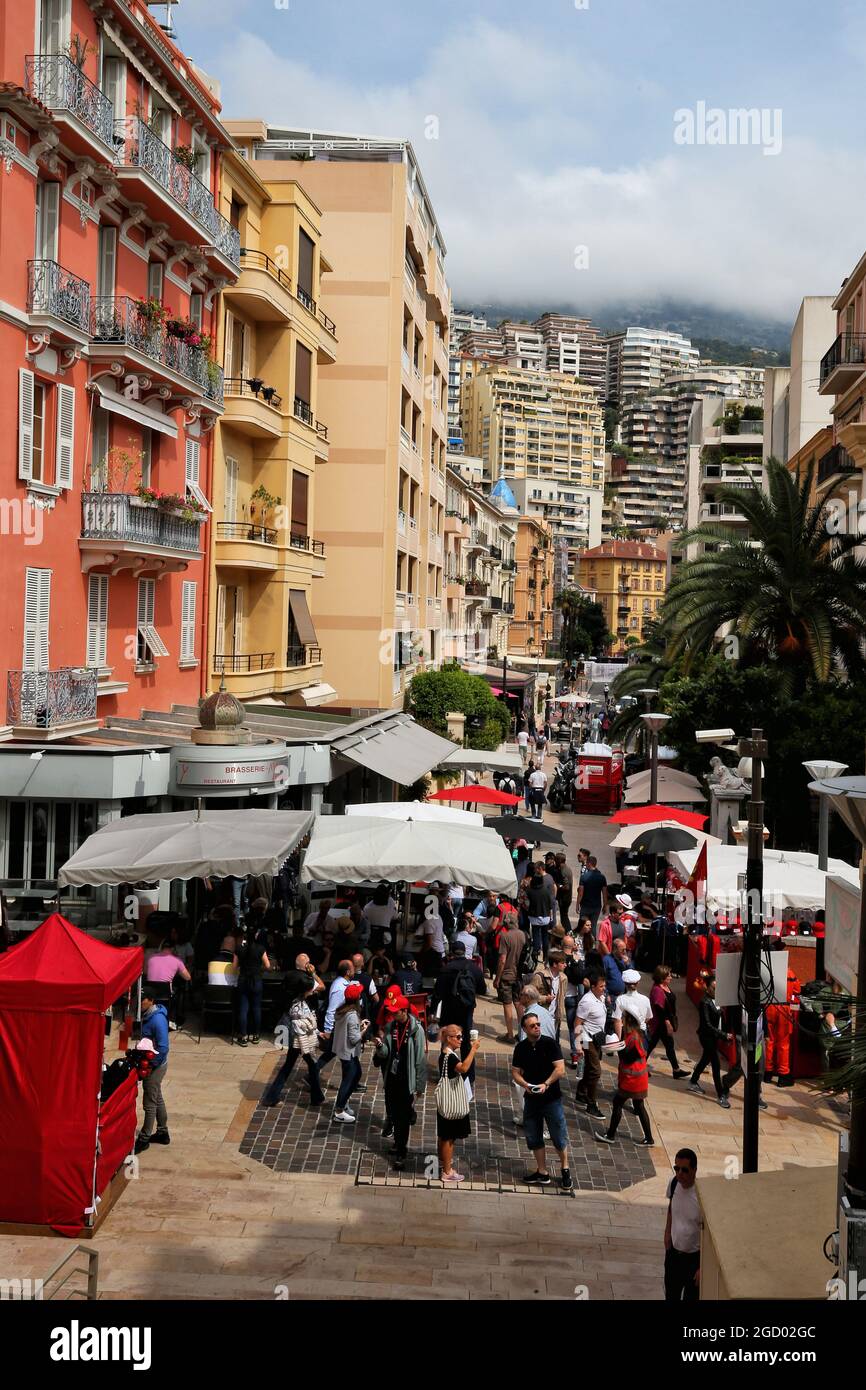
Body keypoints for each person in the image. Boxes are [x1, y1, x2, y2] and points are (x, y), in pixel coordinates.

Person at [511, 1013, 572, 1190]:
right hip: (531, 1098)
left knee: (558, 1135)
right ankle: (542, 1171)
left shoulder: (550, 1043)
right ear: (524, 1029)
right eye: (532, 1025)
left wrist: (546, 1084)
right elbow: (515, 1072)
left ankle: (565, 1169)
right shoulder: (521, 1048)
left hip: (551, 1099)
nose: (537, 1027)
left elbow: (560, 1069)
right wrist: (526, 1085)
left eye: (538, 1024)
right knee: (533, 1135)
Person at [374, 995, 427, 1170]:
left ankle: (401, 1154)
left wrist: (420, 1085)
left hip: (407, 1081)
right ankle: (397, 1143)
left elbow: (420, 1059)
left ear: (404, 1011)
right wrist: (380, 1046)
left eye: (395, 1012)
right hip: (392, 1079)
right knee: (394, 1115)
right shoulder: (391, 1027)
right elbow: (387, 1053)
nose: (392, 1014)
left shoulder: (416, 1031)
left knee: (403, 1119)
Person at [262, 973, 325, 1107]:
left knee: (289, 1065)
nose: (312, 991)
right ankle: (316, 1097)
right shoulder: (297, 1007)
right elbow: (303, 1028)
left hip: (297, 1040)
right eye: (310, 989)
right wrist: (310, 1042)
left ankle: (272, 1096)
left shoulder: (296, 1001)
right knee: (311, 1065)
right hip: (301, 1041)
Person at [594, 1013, 655, 1147]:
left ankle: (610, 1135)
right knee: (639, 1106)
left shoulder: (633, 1037)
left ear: (628, 1020)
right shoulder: (633, 1035)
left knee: (618, 1102)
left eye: (623, 1018)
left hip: (633, 1080)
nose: (621, 1020)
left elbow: (626, 1057)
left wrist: (613, 1047)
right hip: (636, 1079)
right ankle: (649, 1138)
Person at [436, 1023, 481, 1183]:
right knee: (449, 1137)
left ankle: (443, 1162)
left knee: (444, 1134)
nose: (461, 1040)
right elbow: (464, 1068)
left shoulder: (445, 1054)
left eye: (462, 1037)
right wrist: (473, 1049)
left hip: (445, 1102)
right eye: (458, 1037)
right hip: (452, 1103)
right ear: (449, 1038)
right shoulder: (451, 1056)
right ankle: (447, 1171)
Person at [432, 942, 485, 1075]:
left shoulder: (445, 969)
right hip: (466, 1012)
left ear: (452, 953)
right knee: (466, 1043)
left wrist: (432, 1012)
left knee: (447, 1042)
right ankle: (468, 1075)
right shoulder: (474, 968)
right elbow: (483, 989)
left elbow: (437, 994)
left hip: (448, 1012)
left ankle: (446, 1072)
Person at [134, 988, 171, 1153]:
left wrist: (150, 1065)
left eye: (142, 1000)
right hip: (152, 1063)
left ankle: (144, 1137)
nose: (139, 1003)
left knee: (149, 1102)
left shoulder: (157, 1020)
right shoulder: (148, 1015)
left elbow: (163, 1047)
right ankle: (163, 1132)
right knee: (157, 1097)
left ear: (150, 1001)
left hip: (155, 1065)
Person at [688, 973, 733, 1105]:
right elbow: (707, 1025)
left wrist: (723, 1035)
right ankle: (720, 1095)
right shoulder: (704, 1002)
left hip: (714, 1036)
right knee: (716, 1065)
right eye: (713, 988)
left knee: (704, 1060)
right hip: (706, 1036)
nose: (716, 991)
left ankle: (693, 1081)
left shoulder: (718, 1000)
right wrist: (724, 1035)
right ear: (707, 988)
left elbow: (721, 1020)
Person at [664, 1149, 701, 1302]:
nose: (679, 1173)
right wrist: (667, 1232)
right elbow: (671, 1207)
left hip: (693, 1260)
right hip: (673, 1255)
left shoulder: (701, 1197)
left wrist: (702, 1267)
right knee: (671, 1296)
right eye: (676, 1168)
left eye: (684, 1170)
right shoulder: (673, 1184)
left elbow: (710, 1236)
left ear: (694, 1170)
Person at [332, 983, 370, 1122]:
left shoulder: (342, 1010)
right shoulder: (352, 1015)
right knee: (349, 1079)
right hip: (348, 1052)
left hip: (343, 1050)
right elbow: (354, 1039)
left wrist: (358, 1026)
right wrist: (364, 1029)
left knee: (355, 1074)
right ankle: (339, 1110)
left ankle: (344, 1103)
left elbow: (348, 1029)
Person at [647, 965, 689, 1079]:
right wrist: (668, 1023)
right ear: (662, 978)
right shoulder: (657, 990)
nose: (671, 977)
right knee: (652, 1045)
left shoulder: (665, 987)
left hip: (664, 1022)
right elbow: (659, 1009)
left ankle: (676, 1070)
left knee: (667, 1045)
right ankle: (640, 1067)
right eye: (668, 975)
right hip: (659, 1023)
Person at [574, 975, 607, 1118]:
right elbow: (577, 1023)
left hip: (596, 1039)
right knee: (595, 1071)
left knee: (589, 1068)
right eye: (601, 986)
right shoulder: (586, 1002)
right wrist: (578, 1045)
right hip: (587, 1040)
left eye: (604, 986)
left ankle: (581, 1093)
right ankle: (591, 1104)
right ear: (593, 987)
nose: (604, 989)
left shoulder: (600, 998)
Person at [494, 910, 527, 1044]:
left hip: (507, 975)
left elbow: (502, 960)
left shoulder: (505, 937)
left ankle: (509, 1035)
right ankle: (522, 1033)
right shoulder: (523, 935)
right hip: (519, 975)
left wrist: (497, 978)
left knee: (507, 1005)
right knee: (519, 1004)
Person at [235, 925, 271, 1046]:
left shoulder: (239, 948)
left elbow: (234, 966)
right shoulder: (261, 948)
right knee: (256, 1008)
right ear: (256, 935)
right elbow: (267, 965)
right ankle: (256, 1035)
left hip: (243, 980)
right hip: (256, 980)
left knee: (243, 1009)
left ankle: (243, 1036)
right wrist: (257, 968)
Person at [524, 861, 555, 960]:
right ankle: (545, 955)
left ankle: (536, 953)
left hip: (534, 917)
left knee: (536, 934)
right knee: (545, 936)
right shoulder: (546, 891)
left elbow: (526, 902)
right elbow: (550, 904)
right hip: (545, 916)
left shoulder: (529, 891)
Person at [613, 968, 653, 1041]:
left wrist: (618, 1040)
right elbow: (649, 1017)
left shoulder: (620, 999)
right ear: (638, 982)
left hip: (627, 1035)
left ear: (624, 983)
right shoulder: (645, 999)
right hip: (641, 1034)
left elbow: (617, 1021)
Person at [576, 855, 607, 931]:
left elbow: (580, 893)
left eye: (586, 863)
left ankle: (582, 942)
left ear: (589, 863)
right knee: (593, 927)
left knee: (582, 926)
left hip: (585, 906)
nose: (585, 865)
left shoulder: (584, 877)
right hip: (597, 907)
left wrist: (577, 904)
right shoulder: (602, 877)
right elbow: (604, 893)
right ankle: (592, 942)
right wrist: (605, 905)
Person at [555, 853, 573, 930]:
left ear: (560, 860)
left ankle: (569, 933)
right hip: (565, 898)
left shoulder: (563, 871)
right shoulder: (566, 868)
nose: (555, 861)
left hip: (565, 899)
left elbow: (566, 887)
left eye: (556, 859)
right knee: (563, 916)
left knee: (564, 917)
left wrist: (559, 886)